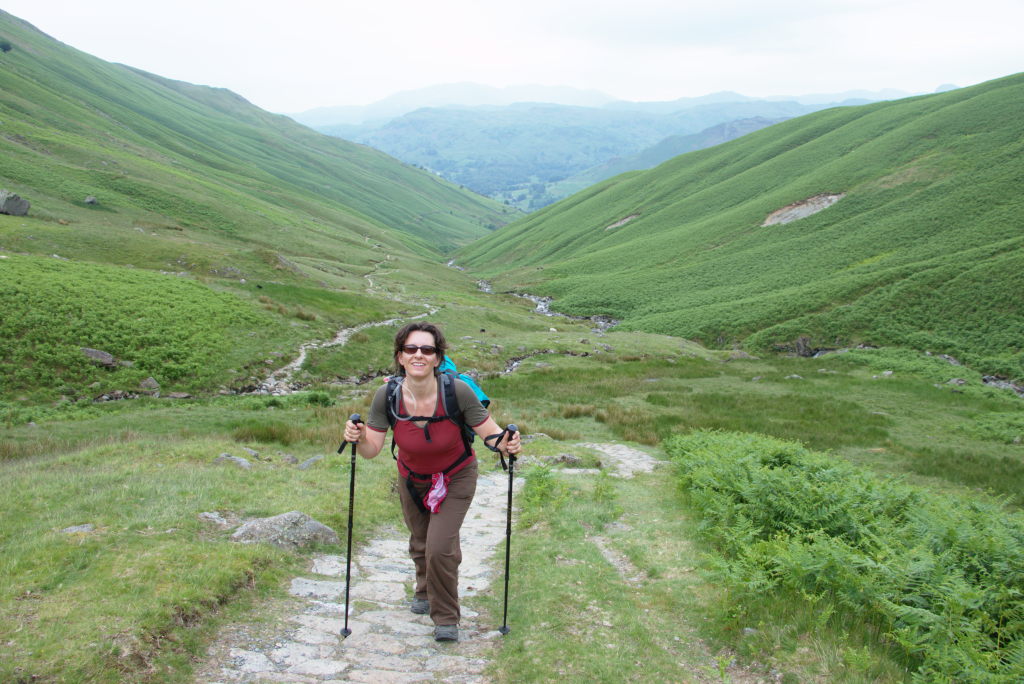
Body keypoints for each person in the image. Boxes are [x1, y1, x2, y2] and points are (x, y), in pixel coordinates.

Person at [343, 322, 521, 642]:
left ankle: (446, 618)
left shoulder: (458, 391)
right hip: (412, 479)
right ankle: (424, 590)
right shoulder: (387, 395)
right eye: (411, 349)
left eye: (427, 349)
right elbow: (371, 450)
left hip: (456, 476)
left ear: (438, 358)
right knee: (421, 541)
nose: (419, 355)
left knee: (439, 547)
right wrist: (358, 438)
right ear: (400, 356)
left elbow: (491, 435)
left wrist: (506, 443)